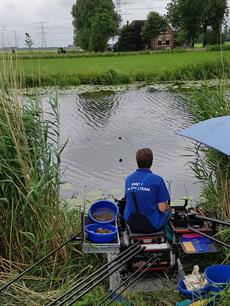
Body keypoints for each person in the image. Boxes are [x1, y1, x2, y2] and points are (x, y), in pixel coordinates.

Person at [123, 148, 171, 233]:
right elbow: (162, 208)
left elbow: (127, 199)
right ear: (151, 162)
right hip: (150, 225)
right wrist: (168, 207)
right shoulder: (158, 180)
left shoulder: (128, 179)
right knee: (168, 210)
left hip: (131, 222)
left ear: (137, 162)